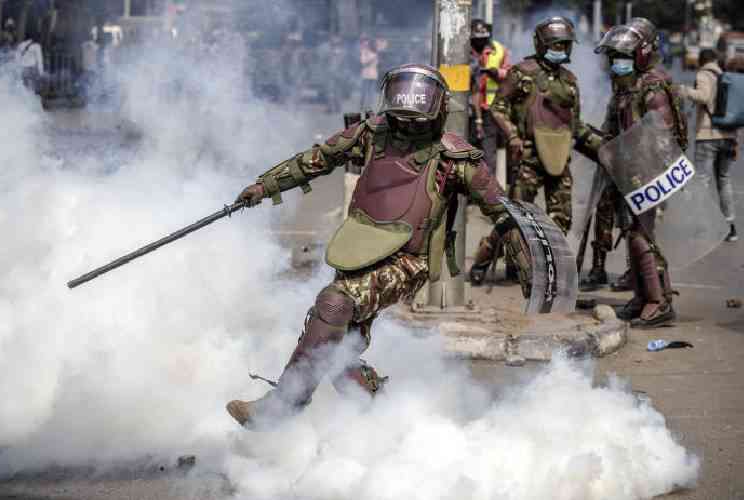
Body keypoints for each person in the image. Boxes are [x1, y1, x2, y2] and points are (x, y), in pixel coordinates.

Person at [226, 64, 530, 429]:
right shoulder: (373, 133)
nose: (405, 126)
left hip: (408, 261)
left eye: (415, 118)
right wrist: (264, 187)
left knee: (334, 303)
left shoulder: (456, 158)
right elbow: (318, 158)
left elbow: (505, 213)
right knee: (337, 347)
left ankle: (281, 408)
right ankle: (385, 418)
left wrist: (529, 268)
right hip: (359, 248)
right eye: (399, 114)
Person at [469, 16, 604, 286]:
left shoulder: (569, 81)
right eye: (557, 44)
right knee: (515, 218)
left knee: (560, 219)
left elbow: (574, 125)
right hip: (528, 159)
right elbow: (498, 108)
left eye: (566, 45)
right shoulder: (522, 73)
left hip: (558, 157)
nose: (562, 50)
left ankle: (542, 270)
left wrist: (602, 148)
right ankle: (484, 258)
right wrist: (513, 137)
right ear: (542, 44)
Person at [594, 18, 689, 328]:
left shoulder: (653, 85)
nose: (617, 63)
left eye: (623, 56)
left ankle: (658, 302)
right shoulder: (625, 85)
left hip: (647, 173)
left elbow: (661, 136)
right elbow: (613, 127)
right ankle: (642, 294)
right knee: (632, 232)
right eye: (614, 57)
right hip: (626, 171)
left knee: (640, 236)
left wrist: (641, 169)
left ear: (642, 54)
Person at [678, 48, 738, 242]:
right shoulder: (727, 77)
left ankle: (703, 227)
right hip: (729, 135)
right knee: (724, 180)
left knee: (702, 182)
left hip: (708, 135)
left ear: (702, 61)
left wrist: (685, 90)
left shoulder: (703, 74)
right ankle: (730, 227)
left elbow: (703, 96)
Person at [468, 18, 511, 175]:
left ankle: (487, 193)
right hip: (464, 110)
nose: (480, 43)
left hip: (489, 109)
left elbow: (510, 74)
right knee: (462, 153)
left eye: (483, 39)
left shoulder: (499, 50)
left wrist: (495, 73)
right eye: (476, 39)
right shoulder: (459, 50)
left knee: (488, 156)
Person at [359, 36, 378, 111]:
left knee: (371, 92)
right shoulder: (364, 52)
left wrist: (371, 59)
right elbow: (363, 63)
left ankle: (369, 106)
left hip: (373, 75)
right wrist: (370, 60)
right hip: (365, 74)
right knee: (364, 91)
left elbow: (376, 64)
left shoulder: (375, 53)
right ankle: (362, 104)